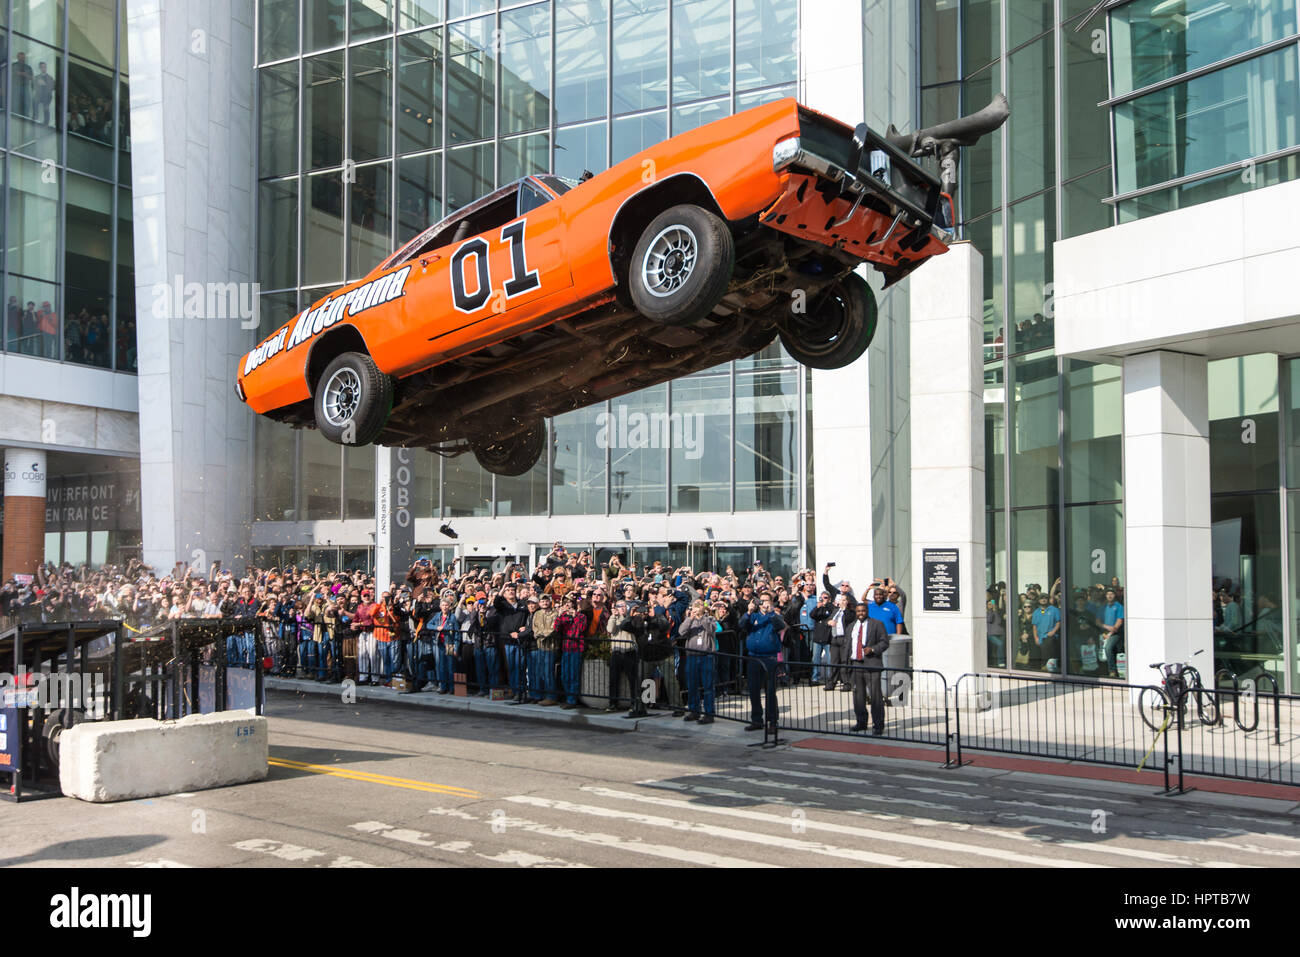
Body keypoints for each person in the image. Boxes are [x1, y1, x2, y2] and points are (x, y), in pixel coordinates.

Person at [739, 596, 784, 733]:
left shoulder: (774, 616)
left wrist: (770, 612)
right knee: (753, 690)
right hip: (754, 657)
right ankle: (756, 720)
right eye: (761, 600)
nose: (763, 602)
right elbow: (741, 625)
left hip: (769, 658)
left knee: (770, 690)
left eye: (766, 600)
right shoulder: (753, 616)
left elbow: (780, 626)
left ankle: (772, 721)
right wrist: (748, 612)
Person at [845, 602, 889, 734]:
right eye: (858, 611)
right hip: (856, 664)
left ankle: (878, 725)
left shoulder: (877, 624)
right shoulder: (851, 627)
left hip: (872, 664)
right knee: (858, 696)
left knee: (875, 696)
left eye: (863, 611)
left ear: (867, 611)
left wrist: (874, 649)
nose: (860, 613)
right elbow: (847, 646)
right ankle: (861, 722)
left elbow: (885, 642)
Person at [678, 599, 717, 723]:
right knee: (692, 685)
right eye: (695, 606)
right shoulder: (690, 620)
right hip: (692, 656)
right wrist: (690, 618)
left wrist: (702, 617)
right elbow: (681, 632)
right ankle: (694, 711)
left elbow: (711, 630)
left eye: (699, 606)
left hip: (706, 656)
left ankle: (709, 713)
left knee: (708, 686)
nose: (697, 608)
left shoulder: (710, 619)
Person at [553, 595, 587, 709]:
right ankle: (568, 697)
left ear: (573, 604)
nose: (567, 605)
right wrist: (559, 615)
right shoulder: (563, 617)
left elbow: (581, 629)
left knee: (574, 675)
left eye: (569, 603)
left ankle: (572, 700)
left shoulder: (581, 616)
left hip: (577, 648)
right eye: (565, 603)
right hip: (566, 648)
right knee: (564, 675)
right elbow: (556, 629)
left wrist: (574, 615)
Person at [530, 594, 559, 704]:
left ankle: (551, 697)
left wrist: (542, 634)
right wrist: (539, 634)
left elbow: (553, 629)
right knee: (541, 672)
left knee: (548, 672)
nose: (544, 603)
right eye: (542, 601)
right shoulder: (537, 614)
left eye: (546, 601)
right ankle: (542, 694)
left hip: (550, 647)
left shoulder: (555, 614)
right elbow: (534, 628)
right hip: (540, 646)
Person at [1031, 593, 1061, 671]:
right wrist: (1036, 638)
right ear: (1039, 600)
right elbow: (1034, 627)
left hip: (1050, 636)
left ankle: (1047, 667)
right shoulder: (1036, 612)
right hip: (1040, 636)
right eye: (1041, 598)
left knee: (1047, 649)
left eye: (1045, 598)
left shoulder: (1054, 609)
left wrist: (1053, 632)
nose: (1043, 600)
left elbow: (1058, 622)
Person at [1099, 588, 1125, 678]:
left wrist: (1110, 632)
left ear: (1115, 595)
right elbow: (1097, 621)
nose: (1109, 596)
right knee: (1102, 652)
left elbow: (1119, 622)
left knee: (1108, 648)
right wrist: (1106, 627)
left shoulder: (1119, 606)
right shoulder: (1103, 607)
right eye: (1108, 594)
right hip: (1104, 632)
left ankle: (1112, 671)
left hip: (1116, 633)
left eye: (1112, 594)